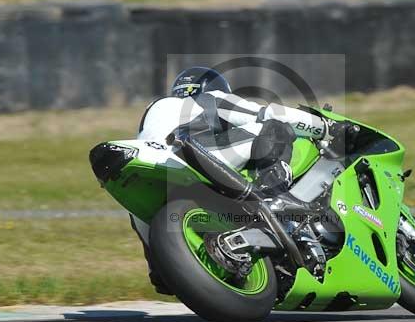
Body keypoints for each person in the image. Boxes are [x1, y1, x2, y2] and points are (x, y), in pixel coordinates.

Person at [137, 66, 355, 293]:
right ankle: (277, 199)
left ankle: (159, 266)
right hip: (193, 153)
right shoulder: (210, 98)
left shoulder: (156, 110)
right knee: (274, 128)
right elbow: (268, 113)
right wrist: (326, 128)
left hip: (157, 170)